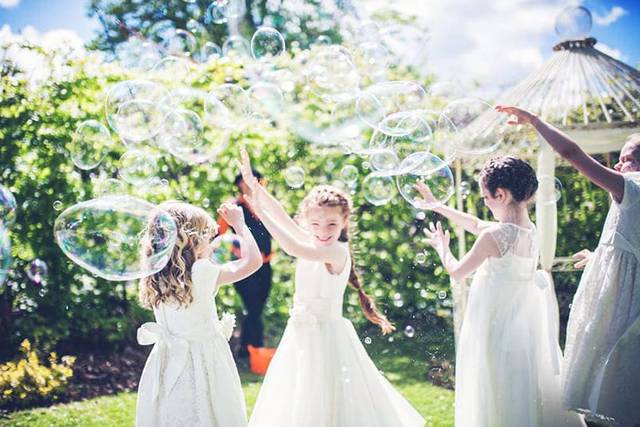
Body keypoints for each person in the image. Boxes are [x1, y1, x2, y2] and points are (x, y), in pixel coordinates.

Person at [239, 149, 424, 427]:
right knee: (301, 397)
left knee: (328, 398)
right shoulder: (314, 241)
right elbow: (286, 220)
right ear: (306, 221)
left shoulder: (336, 251)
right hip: (302, 334)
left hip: (326, 337)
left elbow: (290, 246)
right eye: (314, 223)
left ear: (344, 222)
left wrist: (258, 212)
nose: (322, 230)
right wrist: (256, 188)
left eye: (331, 224)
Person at [497, 105, 640, 426]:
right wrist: (600, 256)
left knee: (607, 379)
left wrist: (534, 121)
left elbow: (572, 152)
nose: (619, 163)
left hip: (619, 309)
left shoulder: (630, 187)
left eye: (628, 157)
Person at [419, 156, 584, 427]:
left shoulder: (493, 237)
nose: (485, 202)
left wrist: (441, 247)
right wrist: (438, 206)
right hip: (521, 327)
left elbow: (457, 272)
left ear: (501, 194)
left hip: (494, 326)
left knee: (494, 385)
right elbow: (476, 224)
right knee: (521, 385)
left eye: (486, 197)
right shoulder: (527, 230)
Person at [136, 201, 262, 427]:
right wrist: (240, 225)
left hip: (166, 357)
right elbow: (253, 261)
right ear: (192, 239)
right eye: (207, 236)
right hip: (204, 358)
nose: (211, 243)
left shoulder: (154, 274)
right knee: (207, 409)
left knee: (173, 410)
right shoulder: (202, 271)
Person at [217, 169, 274, 357]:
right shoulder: (233, 207)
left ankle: (246, 349)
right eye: (244, 181)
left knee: (258, 308)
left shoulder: (265, 206)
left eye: (255, 179)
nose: (249, 183)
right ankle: (253, 350)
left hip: (265, 266)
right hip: (243, 267)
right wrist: (234, 249)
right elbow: (218, 235)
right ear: (239, 184)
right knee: (252, 307)